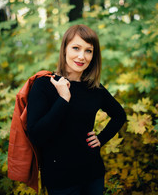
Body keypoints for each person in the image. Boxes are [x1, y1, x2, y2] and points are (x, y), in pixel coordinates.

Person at [27, 24, 126, 195]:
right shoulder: (44, 84)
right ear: (64, 49)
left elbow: (119, 115)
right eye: (76, 48)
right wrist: (63, 99)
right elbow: (36, 135)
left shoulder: (94, 88)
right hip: (61, 180)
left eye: (89, 50)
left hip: (93, 174)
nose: (82, 56)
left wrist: (101, 139)